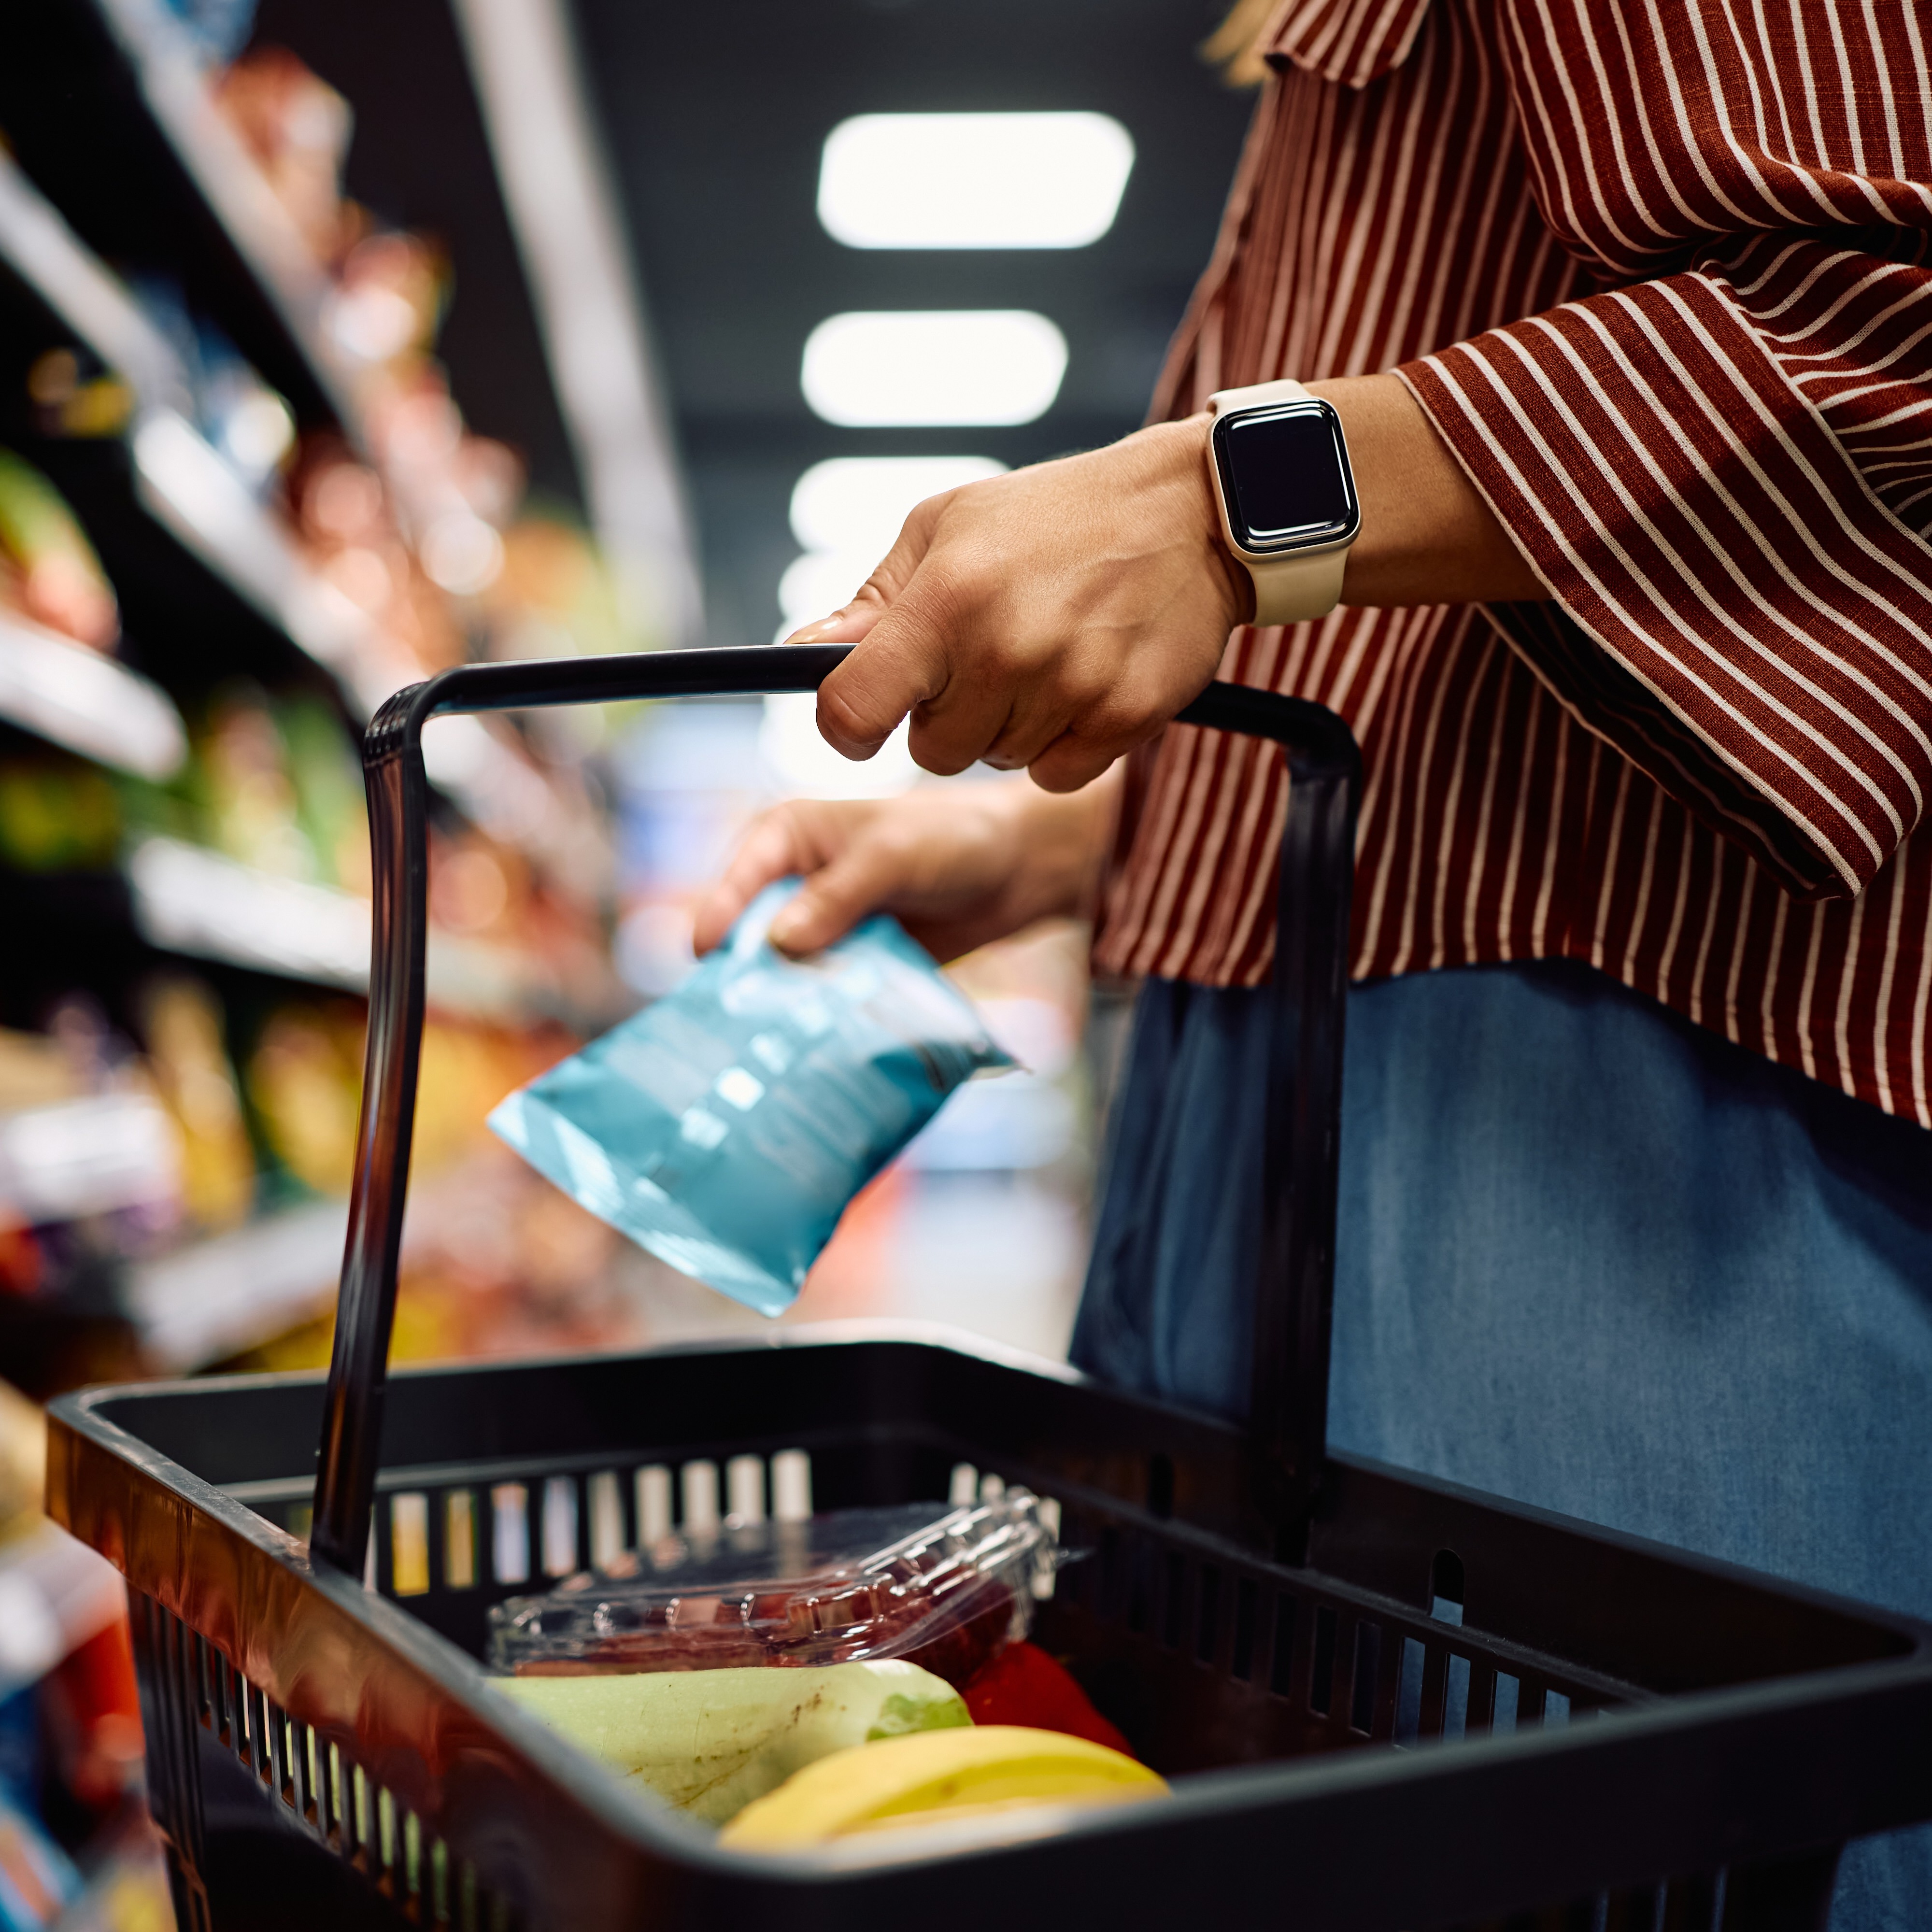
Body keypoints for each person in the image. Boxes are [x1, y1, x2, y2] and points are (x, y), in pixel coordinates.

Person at [697, 2, 1932, 1920]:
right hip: (1292, 1097)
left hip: (1599, 1111)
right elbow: (1401, 658)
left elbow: (1884, 329)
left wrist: (1224, 498)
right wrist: (1060, 835)